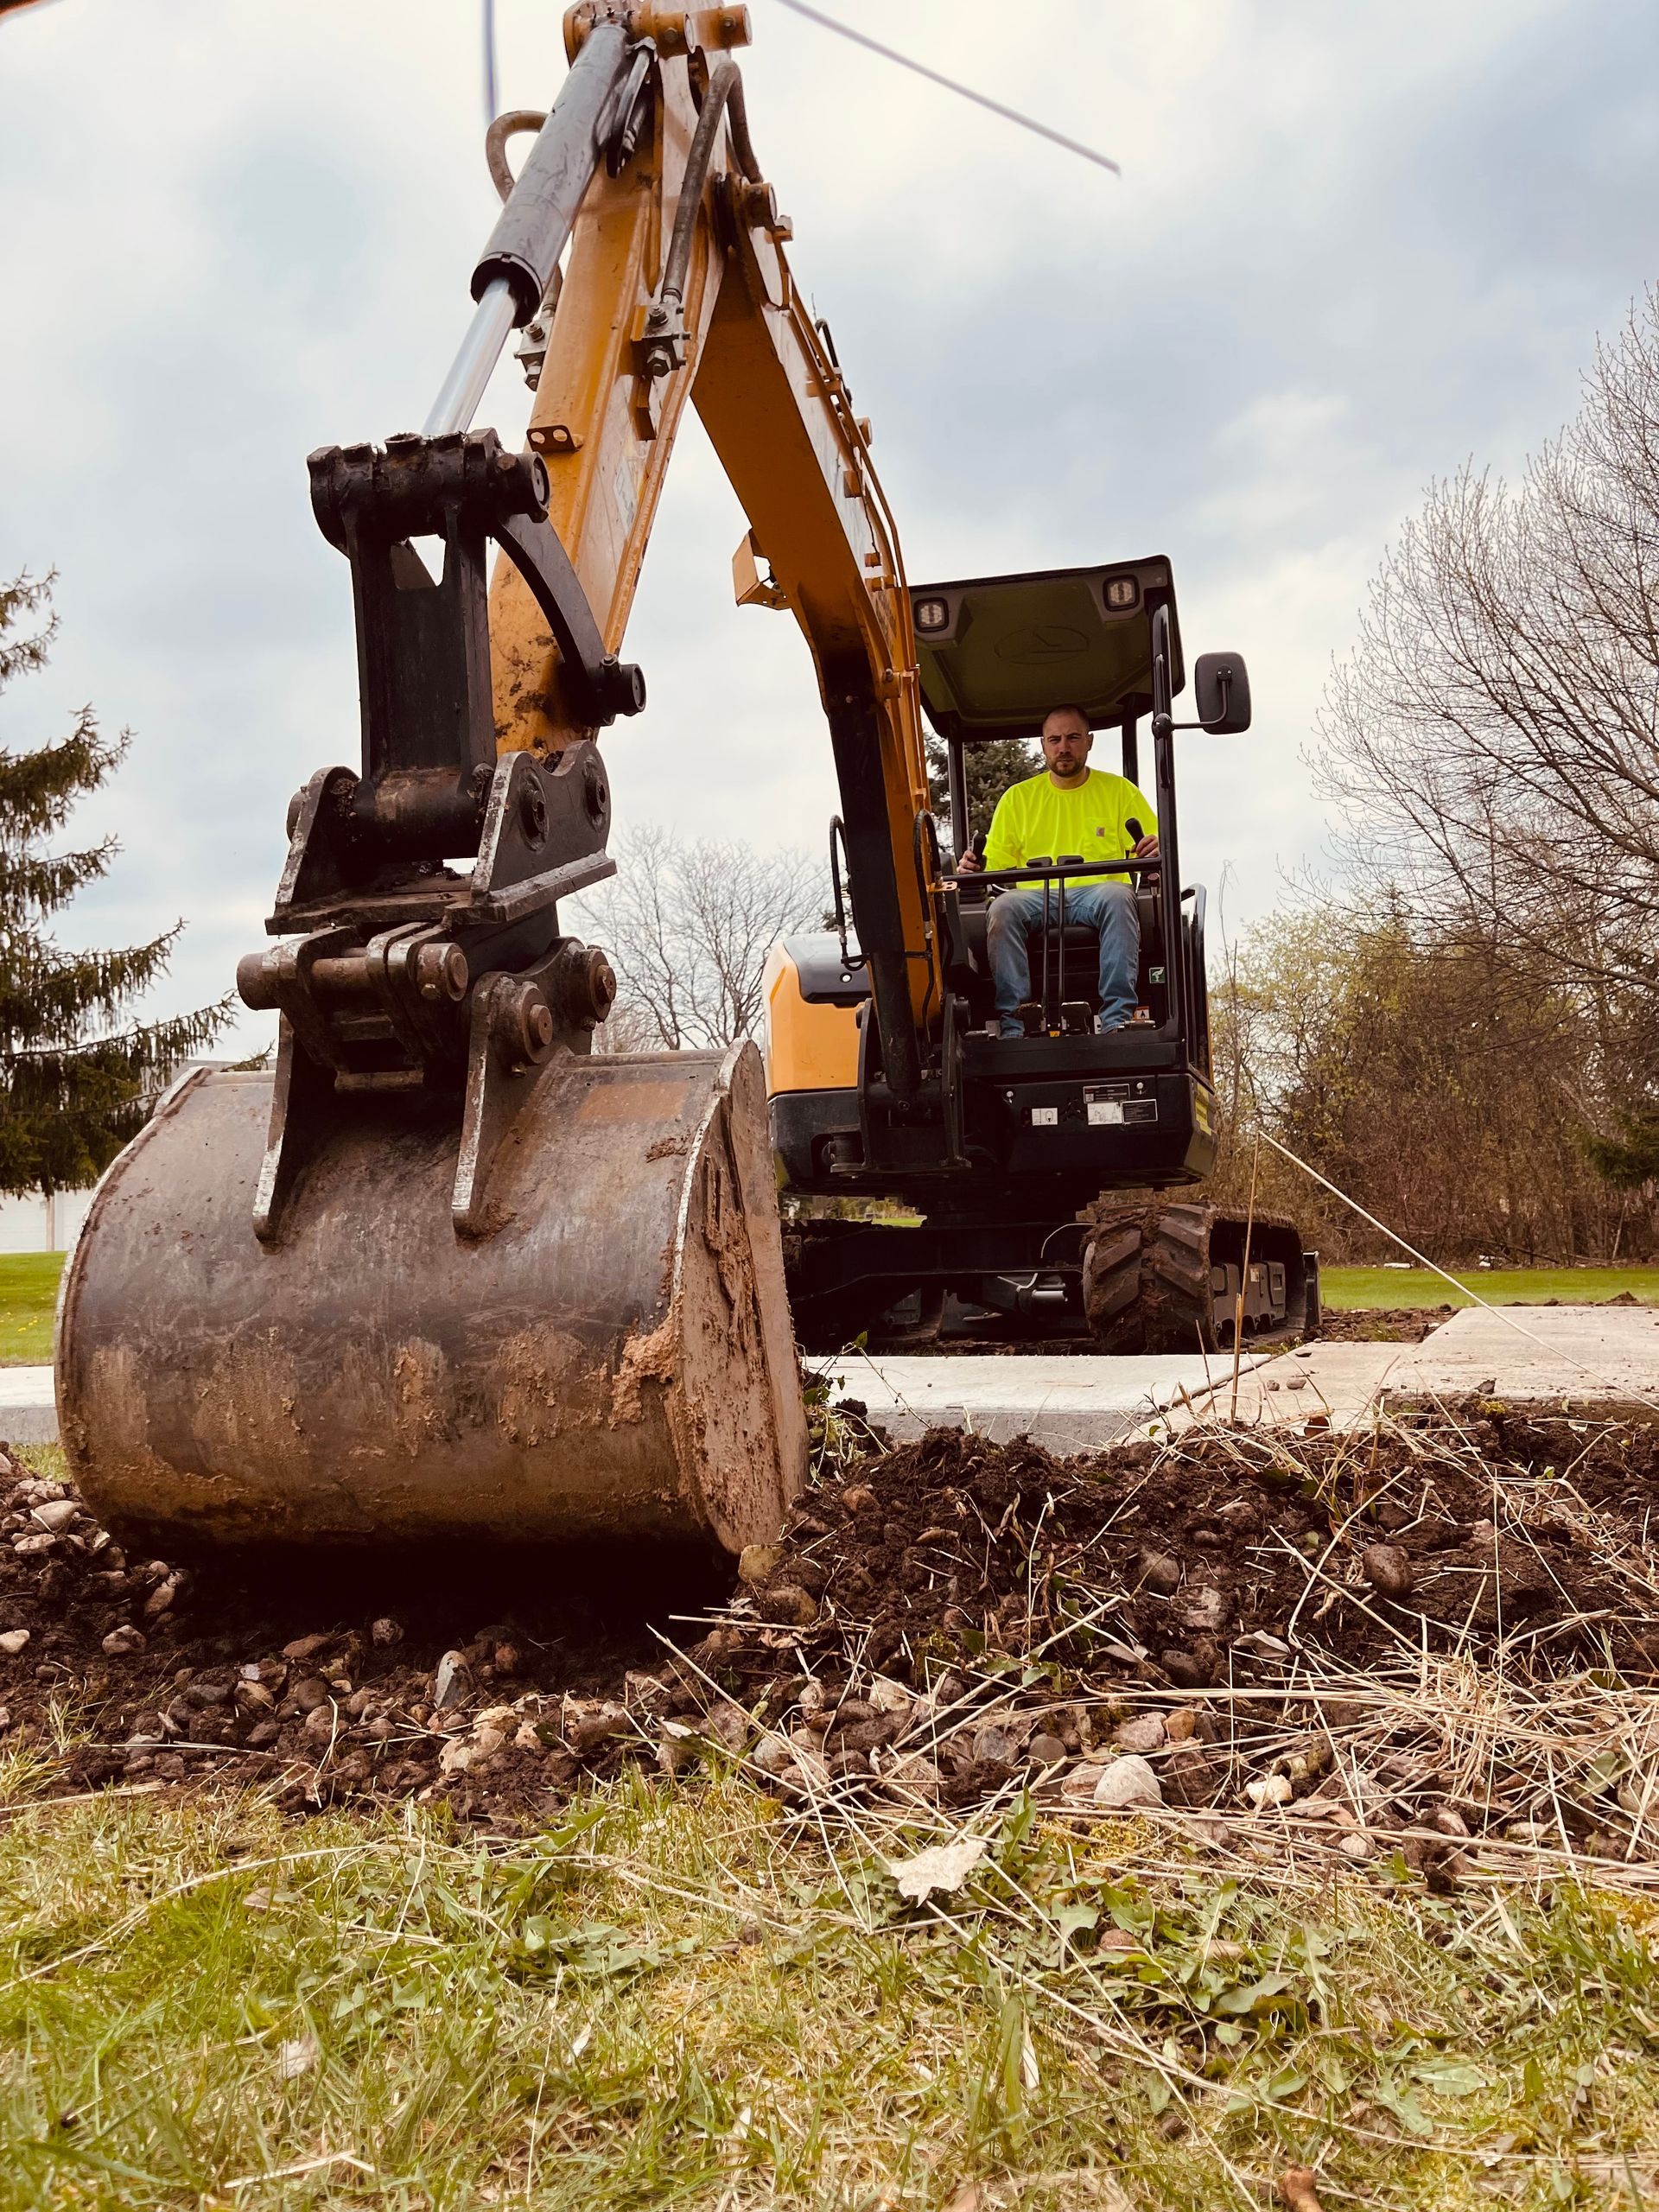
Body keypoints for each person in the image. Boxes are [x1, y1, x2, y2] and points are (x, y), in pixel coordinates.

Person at [958, 702, 1159, 1036]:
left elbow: (1151, 845)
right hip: (1036, 897)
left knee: (1118, 898)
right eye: (1054, 740)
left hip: (1098, 894)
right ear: (1043, 744)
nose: (1063, 747)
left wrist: (1151, 847)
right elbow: (991, 864)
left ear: (1089, 741)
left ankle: (1117, 1019)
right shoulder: (1017, 799)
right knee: (1003, 908)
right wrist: (973, 866)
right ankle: (1015, 1022)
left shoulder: (1119, 791)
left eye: (1073, 737)